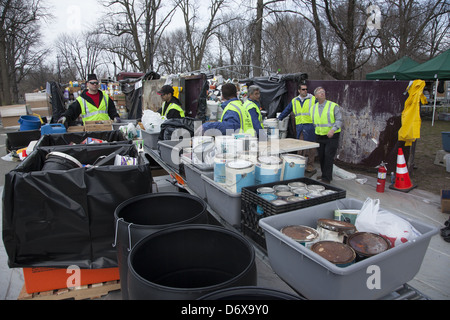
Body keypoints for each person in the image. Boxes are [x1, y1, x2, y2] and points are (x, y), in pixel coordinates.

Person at [278, 83, 317, 172]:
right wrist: (279, 118)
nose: (305, 91)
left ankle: (310, 165)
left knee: (311, 147)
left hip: (310, 126)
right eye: (303, 89)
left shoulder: (313, 99)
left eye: (306, 89)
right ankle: (300, 164)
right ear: (299, 91)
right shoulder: (295, 101)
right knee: (300, 146)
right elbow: (287, 110)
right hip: (300, 126)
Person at [310, 87, 343, 184]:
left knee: (328, 156)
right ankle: (325, 174)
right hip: (320, 136)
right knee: (322, 156)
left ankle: (326, 179)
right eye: (319, 92)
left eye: (323, 92)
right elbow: (314, 122)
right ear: (315, 96)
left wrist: (333, 130)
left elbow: (339, 120)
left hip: (332, 136)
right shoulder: (313, 108)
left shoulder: (333, 106)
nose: (322, 93)